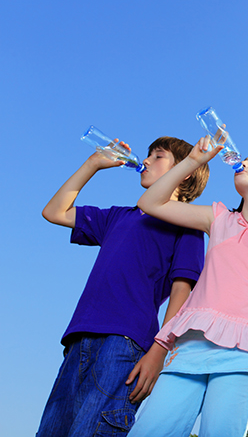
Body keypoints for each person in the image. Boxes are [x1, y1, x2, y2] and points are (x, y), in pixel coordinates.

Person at [127, 137, 248, 437]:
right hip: (189, 347)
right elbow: (150, 202)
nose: (245, 162)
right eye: (246, 158)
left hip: (244, 353)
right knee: (149, 430)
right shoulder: (218, 217)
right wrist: (193, 160)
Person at [38, 136, 209, 437]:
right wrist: (93, 164)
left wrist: (159, 351)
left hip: (125, 342)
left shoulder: (188, 225)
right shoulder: (118, 216)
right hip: (79, 338)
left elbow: (183, 291)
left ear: (185, 172)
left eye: (158, 156)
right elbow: (55, 212)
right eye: (148, 155)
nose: (145, 161)